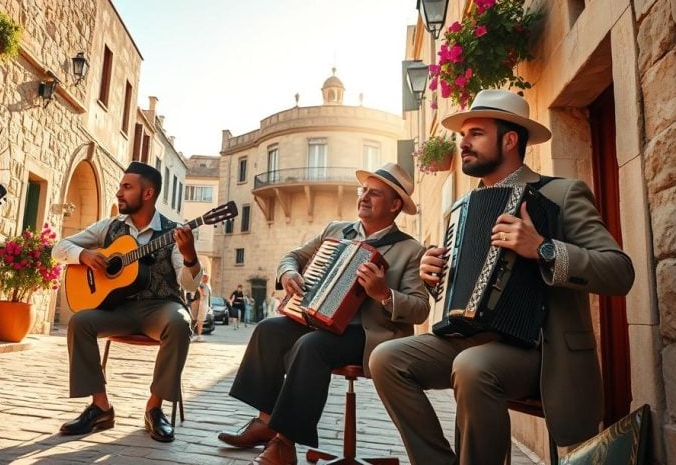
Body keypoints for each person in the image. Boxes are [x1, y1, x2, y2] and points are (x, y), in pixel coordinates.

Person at [369, 90, 635, 465]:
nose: (463, 143)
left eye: (475, 133)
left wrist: (543, 247)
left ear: (510, 140)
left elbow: (619, 271)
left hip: (542, 352)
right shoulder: (461, 211)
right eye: (463, 136)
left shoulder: (562, 193)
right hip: (468, 340)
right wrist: (434, 276)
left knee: (473, 367)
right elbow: (458, 288)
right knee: (386, 359)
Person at [218, 163, 430, 465]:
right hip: (321, 322)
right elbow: (292, 256)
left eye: (375, 193)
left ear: (395, 205)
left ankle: (284, 444)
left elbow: (421, 309)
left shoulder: (411, 250)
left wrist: (384, 294)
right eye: (364, 190)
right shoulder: (336, 230)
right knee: (268, 329)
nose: (364, 197)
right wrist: (289, 272)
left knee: (311, 346)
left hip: (369, 337)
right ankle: (266, 422)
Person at [52, 161, 202, 443]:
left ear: (147, 194)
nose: (119, 193)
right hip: (118, 309)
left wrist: (190, 254)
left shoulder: (172, 232)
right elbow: (59, 248)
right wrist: (83, 256)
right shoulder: (109, 227)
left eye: (127, 187)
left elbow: (187, 283)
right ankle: (100, 407)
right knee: (80, 322)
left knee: (180, 323)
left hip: (160, 307)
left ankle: (154, 409)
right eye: (121, 186)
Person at [191, 274, 212, 342]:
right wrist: (200, 290)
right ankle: (198, 336)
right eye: (205, 277)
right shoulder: (203, 285)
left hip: (202, 304)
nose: (206, 279)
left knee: (198, 321)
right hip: (202, 304)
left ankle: (197, 336)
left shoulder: (205, 285)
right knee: (199, 321)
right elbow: (204, 295)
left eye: (207, 277)